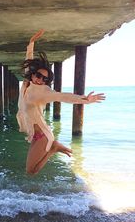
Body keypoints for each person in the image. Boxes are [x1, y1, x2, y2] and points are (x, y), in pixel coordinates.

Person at [16, 29, 105, 175]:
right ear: (32, 75)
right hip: (35, 134)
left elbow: (63, 96)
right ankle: (53, 147)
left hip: (43, 136)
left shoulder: (43, 91)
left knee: (31, 171)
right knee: (31, 170)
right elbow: (29, 62)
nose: (40, 80)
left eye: (44, 79)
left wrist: (85, 99)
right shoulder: (26, 84)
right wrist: (31, 43)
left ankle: (53, 149)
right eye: (38, 76)